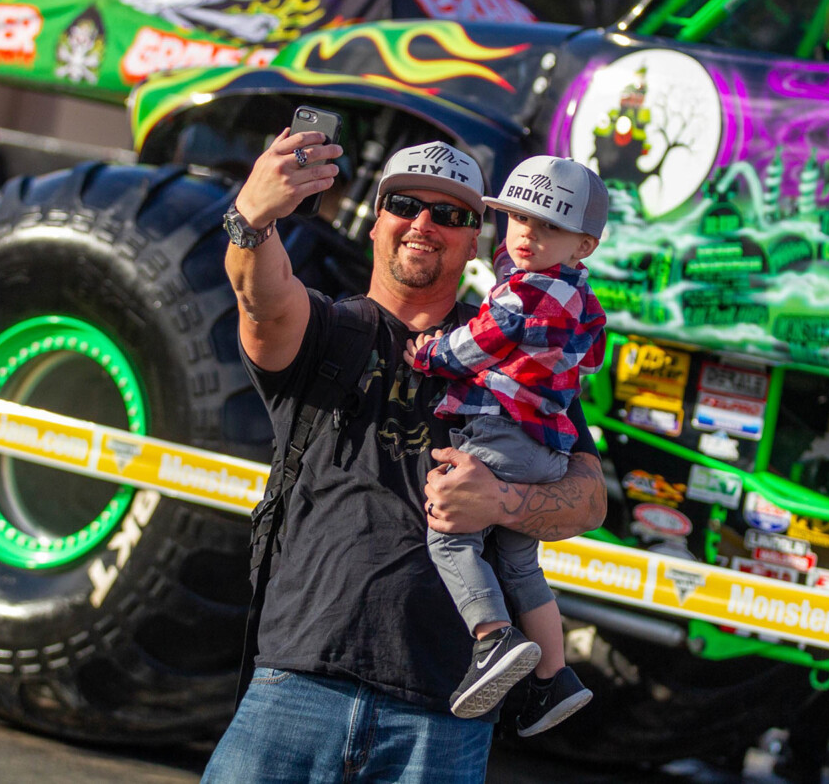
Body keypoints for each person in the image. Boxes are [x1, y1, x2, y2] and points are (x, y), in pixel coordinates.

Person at [201, 131, 607, 784]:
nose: (423, 223)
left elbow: (588, 501)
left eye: (449, 213)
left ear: (476, 241)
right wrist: (252, 219)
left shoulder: (519, 350)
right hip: (298, 685)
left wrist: (502, 502)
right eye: (404, 204)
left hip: (444, 714)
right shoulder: (329, 329)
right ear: (375, 221)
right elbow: (261, 297)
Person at [406, 156, 607, 735]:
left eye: (548, 226)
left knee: (450, 537)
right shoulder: (577, 293)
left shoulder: (524, 293)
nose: (526, 234)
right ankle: (554, 679)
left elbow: (479, 341)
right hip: (547, 448)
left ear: (583, 246)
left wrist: (429, 353)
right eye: (519, 219)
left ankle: (492, 638)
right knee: (520, 565)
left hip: (502, 433)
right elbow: (587, 355)